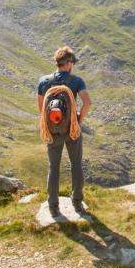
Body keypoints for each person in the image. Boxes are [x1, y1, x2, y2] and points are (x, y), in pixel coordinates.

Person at [37, 46, 92, 216]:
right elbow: (87, 103)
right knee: (76, 165)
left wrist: (51, 123)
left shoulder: (44, 81)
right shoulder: (76, 81)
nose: (73, 66)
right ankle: (77, 203)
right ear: (67, 64)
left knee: (54, 167)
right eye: (72, 63)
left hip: (52, 131)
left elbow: (41, 107)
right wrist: (77, 120)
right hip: (71, 131)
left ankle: (53, 207)